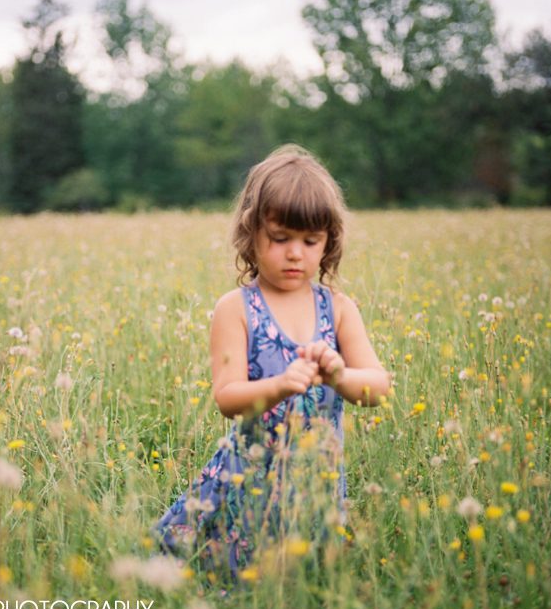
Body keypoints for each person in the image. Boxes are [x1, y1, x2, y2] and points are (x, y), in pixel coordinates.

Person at [151, 144, 392, 581]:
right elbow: (227, 397)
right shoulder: (237, 308)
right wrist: (281, 385)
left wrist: (339, 375)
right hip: (247, 480)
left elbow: (377, 387)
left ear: (328, 243)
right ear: (251, 235)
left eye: (310, 241)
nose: (295, 253)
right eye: (280, 239)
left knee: (304, 582)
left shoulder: (337, 308)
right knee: (233, 580)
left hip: (315, 482)